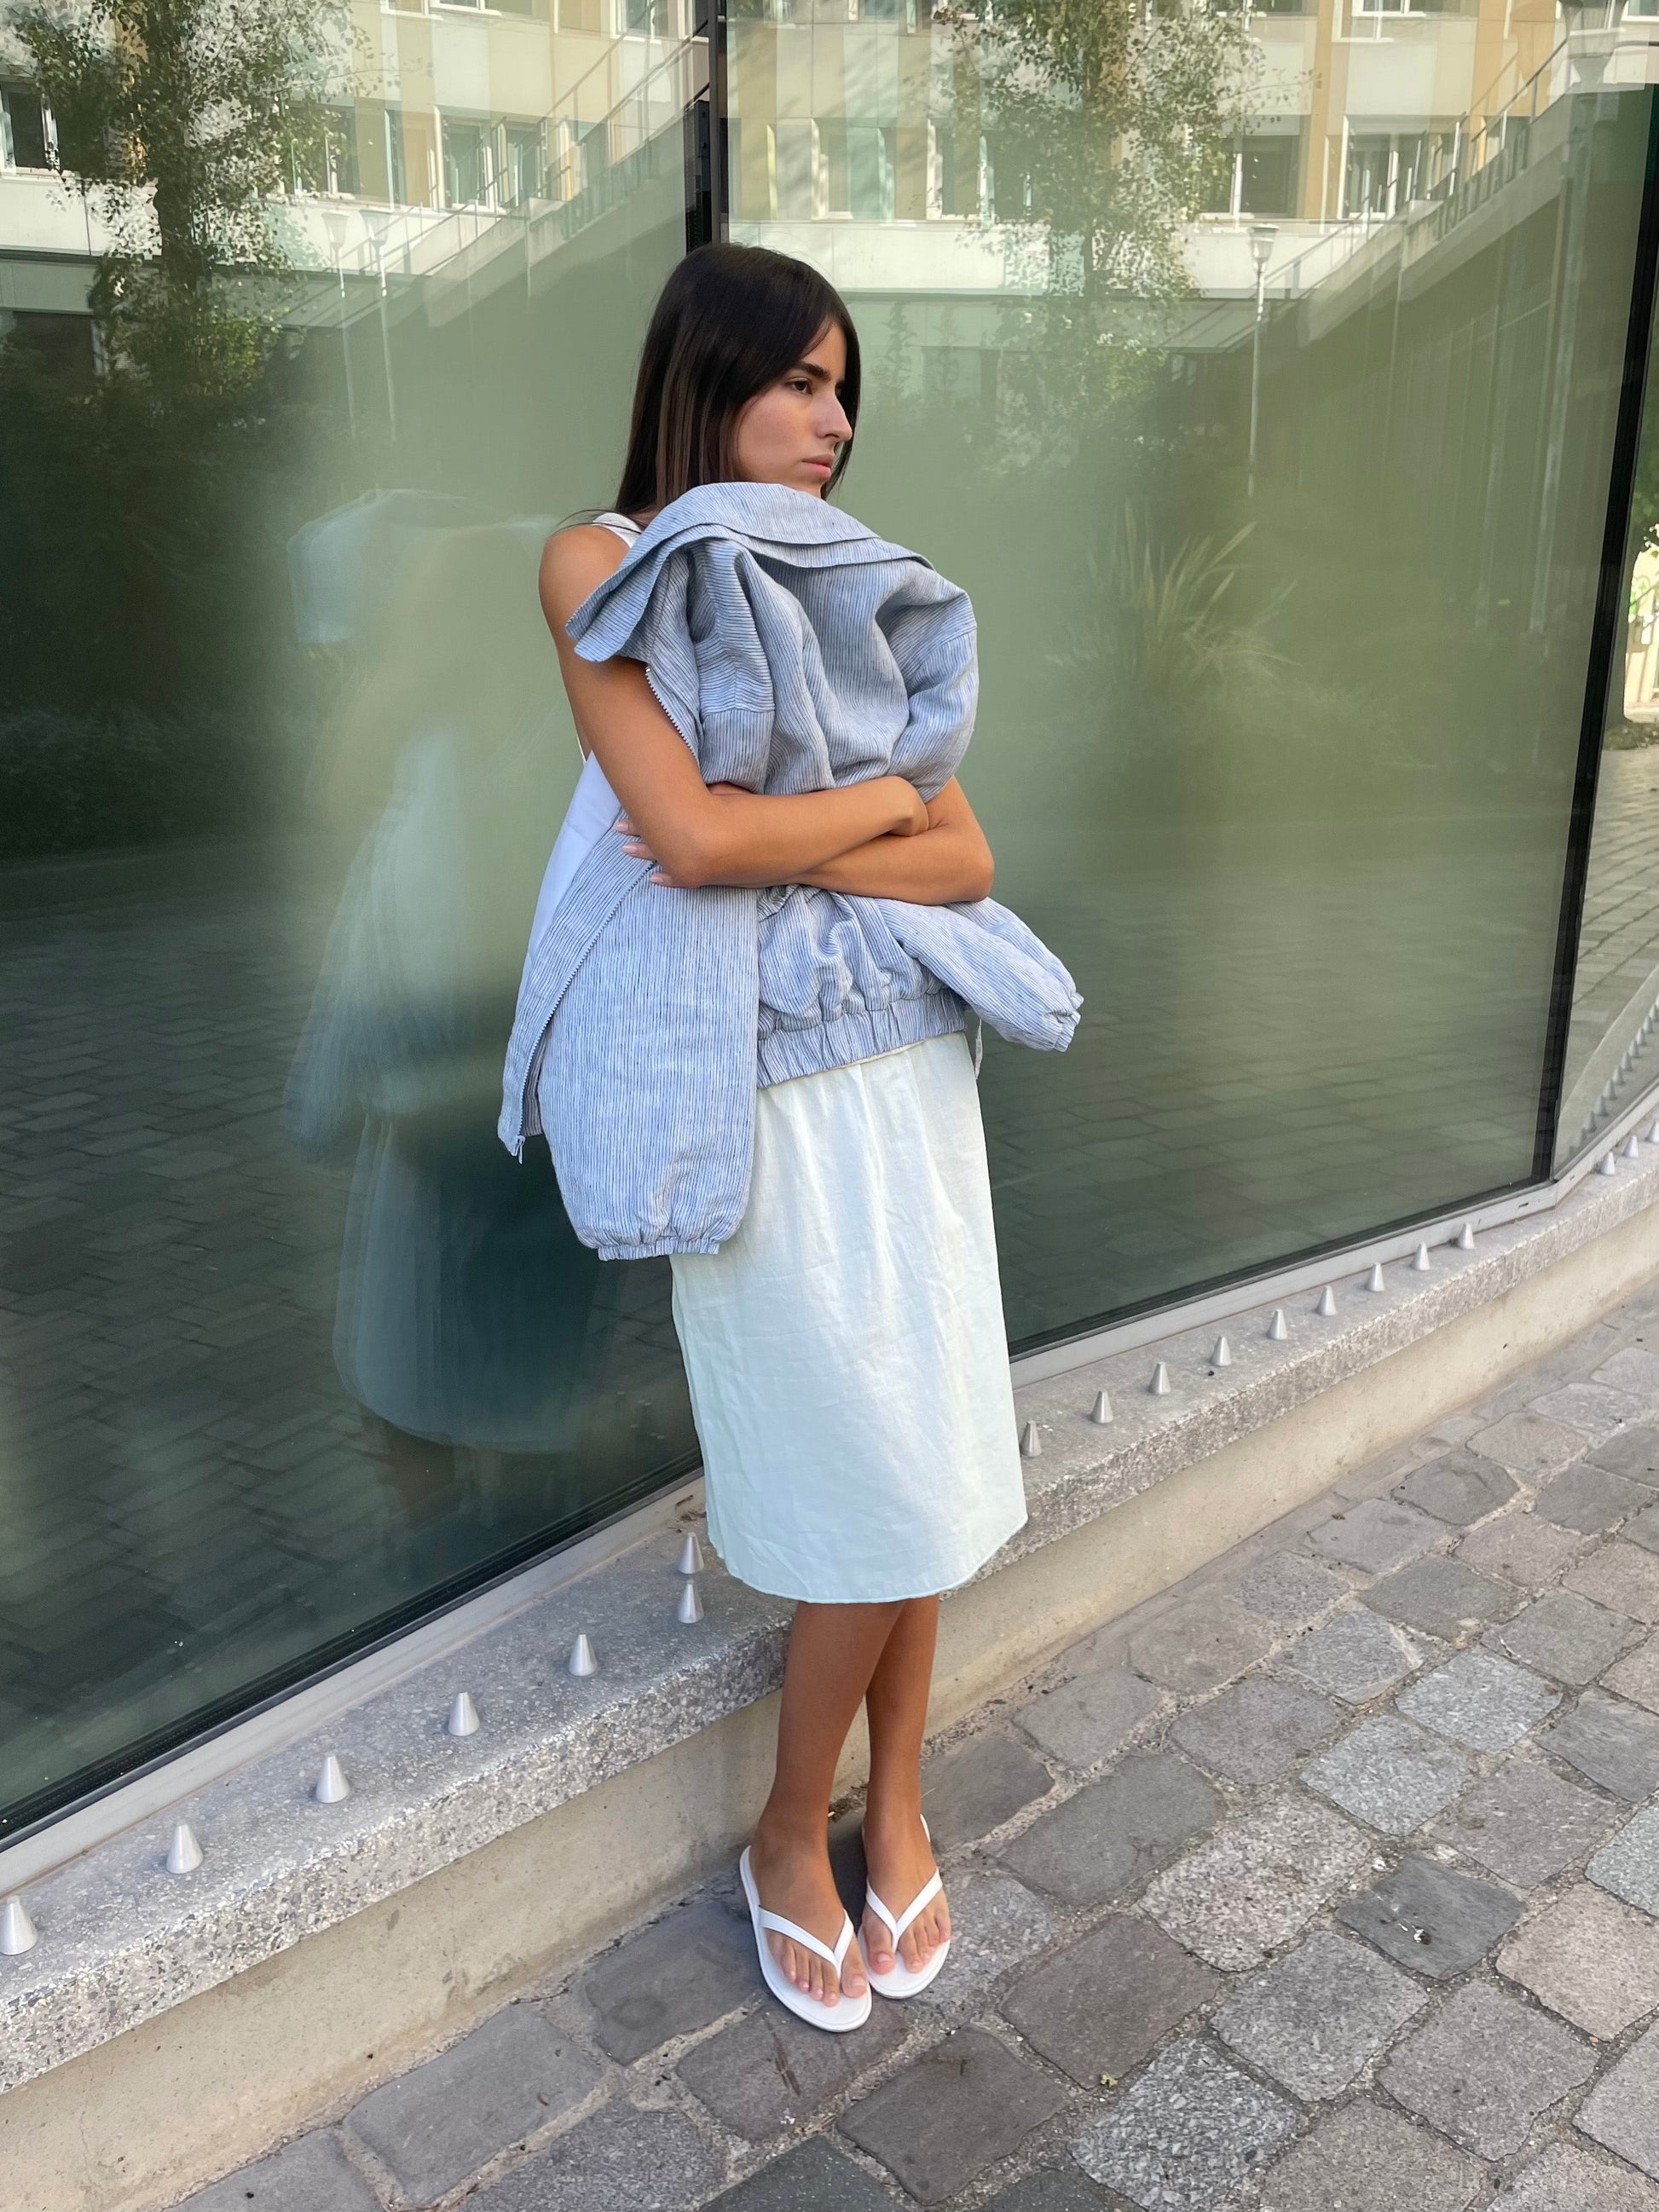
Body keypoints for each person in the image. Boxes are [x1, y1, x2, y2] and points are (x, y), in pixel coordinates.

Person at [523, 243, 1075, 2029]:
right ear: (711, 375)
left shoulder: (866, 582)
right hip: (746, 1084)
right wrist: (864, 805)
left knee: (922, 1445)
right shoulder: (603, 559)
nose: (832, 420)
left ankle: (891, 1801)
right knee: (862, 1460)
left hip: (904, 1061)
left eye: (846, 388)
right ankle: (786, 1826)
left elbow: (964, 854)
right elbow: (684, 840)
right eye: (800, 380)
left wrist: (793, 818)